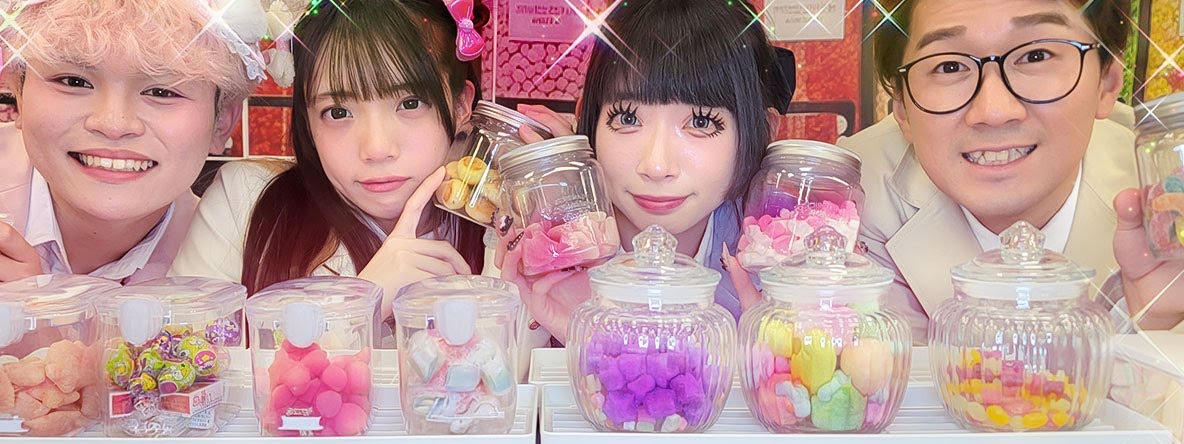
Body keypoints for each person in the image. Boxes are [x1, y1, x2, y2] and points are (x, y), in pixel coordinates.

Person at [0, 0, 262, 334]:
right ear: (18, 93)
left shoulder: (235, 259)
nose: (113, 123)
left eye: (162, 92)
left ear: (222, 123)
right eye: (73, 81)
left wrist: (41, 329)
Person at [830, 0, 1141, 340]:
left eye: (1035, 56)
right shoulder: (851, 196)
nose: (994, 111)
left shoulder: (1162, 190)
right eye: (949, 66)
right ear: (902, 108)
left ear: (1107, 82)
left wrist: (1161, 327)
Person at [495, 0, 795, 342]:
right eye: (627, 118)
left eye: (701, 122)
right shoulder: (538, 249)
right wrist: (576, 331)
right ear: (588, 119)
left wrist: (771, 354)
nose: (656, 166)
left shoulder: (781, 262)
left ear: (763, 130)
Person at [171, 0, 486, 323]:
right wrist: (359, 306)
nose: (377, 149)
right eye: (338, 112)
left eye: (410, 103)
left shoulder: (497, 225)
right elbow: (178, 348)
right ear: (307, 120)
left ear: (461, 105)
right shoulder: (245, 201)